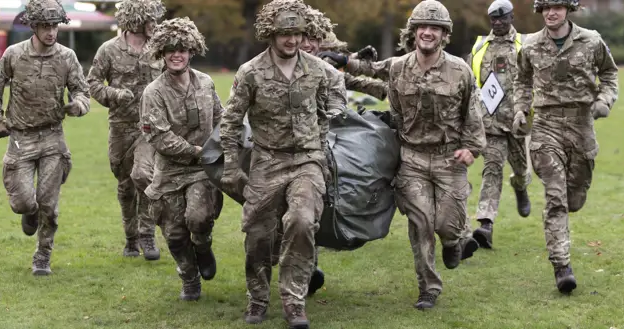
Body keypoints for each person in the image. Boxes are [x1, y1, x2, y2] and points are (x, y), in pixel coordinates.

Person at [321, 0, 485, 310]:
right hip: (412, 158)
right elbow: (373, 68)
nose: (427, 32)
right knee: (420, 223)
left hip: (449, 159)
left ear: (444, 34)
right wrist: (342, 60)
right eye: (422, 27)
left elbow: (473, 112)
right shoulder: (400, 66)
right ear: (413, 32)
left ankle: (453, 242)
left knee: (447, 225)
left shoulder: (459, 70)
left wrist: (472, 147)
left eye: (434, 28)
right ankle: (428, 288)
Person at [219, 0, 335, 327]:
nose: (292, 40)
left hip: (306, 161)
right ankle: (257, 299)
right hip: (267, 161)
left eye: (298, 33)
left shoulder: (317, 70)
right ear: (270, 34)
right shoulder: (251, 72)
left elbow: (325, 114)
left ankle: (294, 301)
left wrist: (320, 153)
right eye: (285, 34)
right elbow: (230, 122)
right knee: (258, 235)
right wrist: (231, 165)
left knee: (302, 221)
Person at [512, 0, 618, 294]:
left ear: (568, 9)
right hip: (545, 126)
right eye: (546, 7)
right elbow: (521, 80)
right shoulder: (531, 46)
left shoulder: (591, 41)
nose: (551, 13)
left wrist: (604, 100)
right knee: (555, 197)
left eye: (557, 7)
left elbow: (609, 74)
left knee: (575, 196)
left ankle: (575, 194)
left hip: (581, 124)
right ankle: (562, 266)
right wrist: (521, 109)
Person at [0, 0, 90, 276]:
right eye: (45, 26)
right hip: (21, 138)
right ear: (33, 26)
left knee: (49, 204)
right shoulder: (14, 54)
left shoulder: (67, 57)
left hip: (53, 137)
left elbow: (82, 91)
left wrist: (78, 105)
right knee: (23, 202)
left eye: (54, 26)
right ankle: (29, 212)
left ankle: (43, 256)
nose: (51, 32)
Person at [140, 17, 224, 301]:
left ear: (191, 51)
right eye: (170, 50)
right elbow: (160, 137)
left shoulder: (206, 83)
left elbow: (221, 118)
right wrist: (196, 151)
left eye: (182, 49)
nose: (177, 54)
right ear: (161, 53)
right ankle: (189, 279)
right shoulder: (154, 92)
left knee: (198, 218)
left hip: (202, 170)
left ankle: (203, 245)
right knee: (175, 235)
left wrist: (226, 143)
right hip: (170, 171)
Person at [87, 0, 165, 260]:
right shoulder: (109, 50)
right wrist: (114, 94)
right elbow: (93, 83)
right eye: (150, 19)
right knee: (126, 186)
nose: (155, 24)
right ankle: (131, 238)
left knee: (144, 176)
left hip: (150, 129)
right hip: (121, 128)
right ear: (136, 21)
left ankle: (147, 235)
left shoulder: (160, 48)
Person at [465, 0, 532, 249]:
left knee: (521, 168)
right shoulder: (480, 47)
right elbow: (469, 82)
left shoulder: (525, 45)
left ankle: (521, 187)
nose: (498, 22)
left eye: (503, 18)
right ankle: (486, 224)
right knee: (492, 168)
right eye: (494, 18)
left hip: (517, 122)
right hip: (490, 123)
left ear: (512, 18)